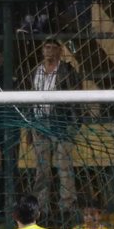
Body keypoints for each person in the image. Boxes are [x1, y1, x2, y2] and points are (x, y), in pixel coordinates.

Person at [27, 40, 80, 219]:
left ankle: (67, 206)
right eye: (46, 47)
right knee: (41, 168)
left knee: (64, 165)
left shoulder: (67, 71)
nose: (48, 50)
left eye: (52, 47)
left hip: (61, 122)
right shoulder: (36, 71)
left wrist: (74, 123)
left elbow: (75, 97)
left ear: (60, 50)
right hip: (39, 122)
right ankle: (41, 207)